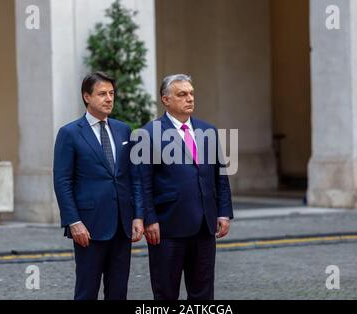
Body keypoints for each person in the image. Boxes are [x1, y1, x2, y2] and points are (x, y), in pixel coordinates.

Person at [140, 74, 233, 300]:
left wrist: (223, 212)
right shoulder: (149, 133)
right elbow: (143, 183)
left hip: (204, 225)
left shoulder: (207, 130)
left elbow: (220, 175)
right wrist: (149, 219)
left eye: (191, 93)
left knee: (203, 293)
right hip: (167, 227)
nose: (189, 98)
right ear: (166, 100)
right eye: (182, 94)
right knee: (166, 293)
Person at [53, 71, 144, 300]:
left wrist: (137, 216)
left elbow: (133, 177)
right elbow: (62, 181)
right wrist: (74, 222)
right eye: (102, 94)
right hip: (89, 227)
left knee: (118, 292)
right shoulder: (70, 133)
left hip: (122, 226)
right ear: (87, 97)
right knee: (86, 292)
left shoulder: (123, 130)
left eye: (111, 93)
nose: (109, 99)